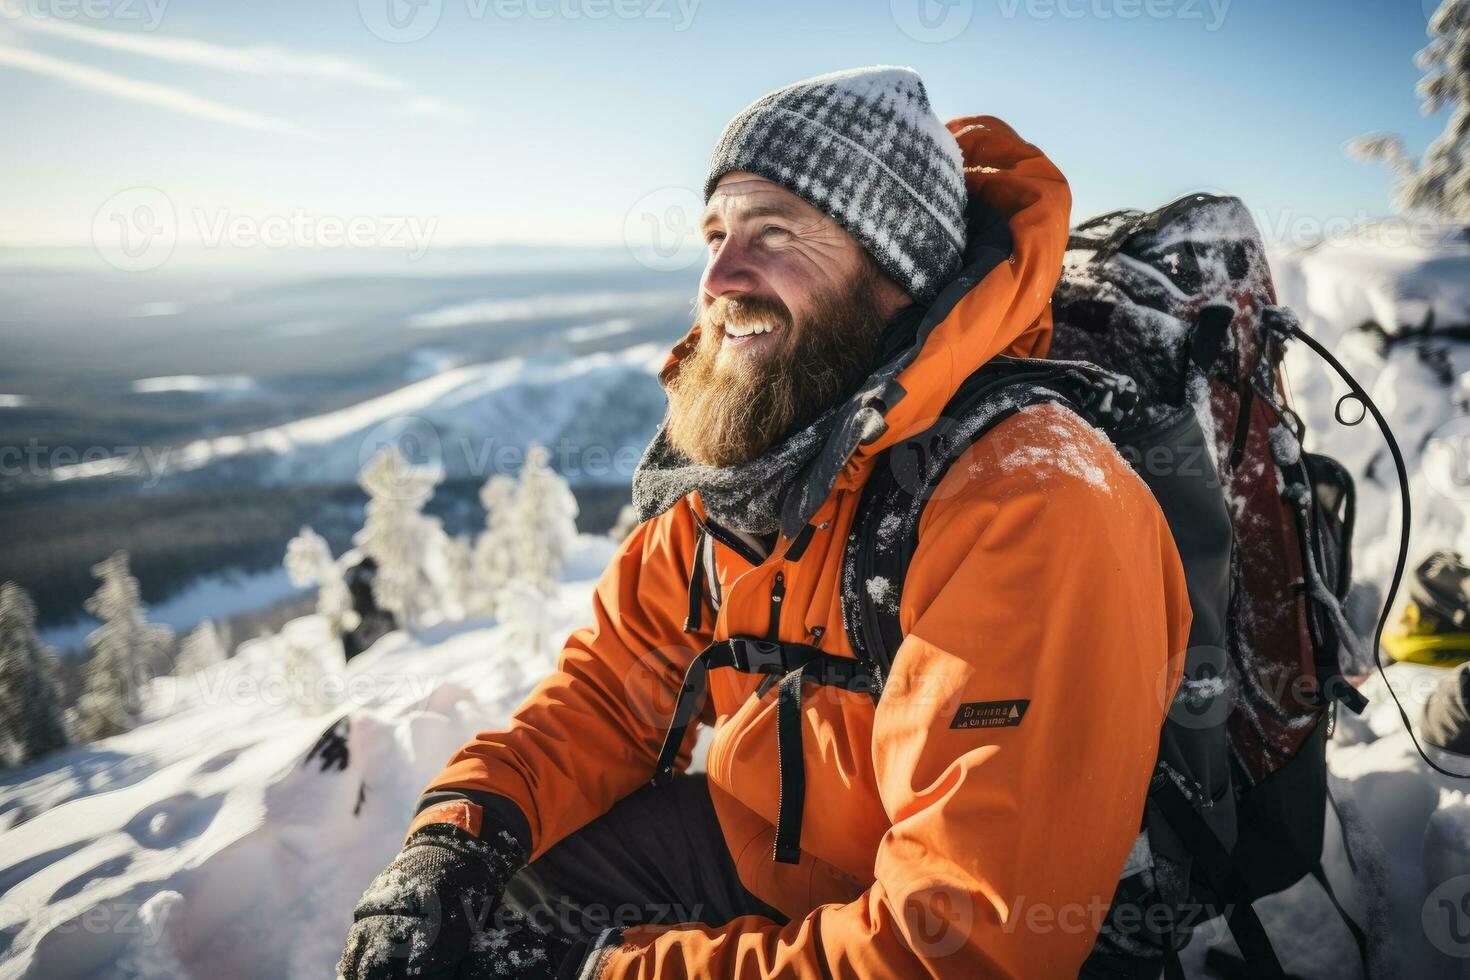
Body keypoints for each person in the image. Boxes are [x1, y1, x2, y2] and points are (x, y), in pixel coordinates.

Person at [338, 66, 1191, 980]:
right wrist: (459, 832)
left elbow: (961, 949)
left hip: (985, 938)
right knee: (479, 913)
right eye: (714, 234)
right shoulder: (759, 460)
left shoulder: (1028, 501)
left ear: (897, 274)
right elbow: (609, 694)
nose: (718, 277)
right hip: (780, 867)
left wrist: (602, 970)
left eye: (775, 233)